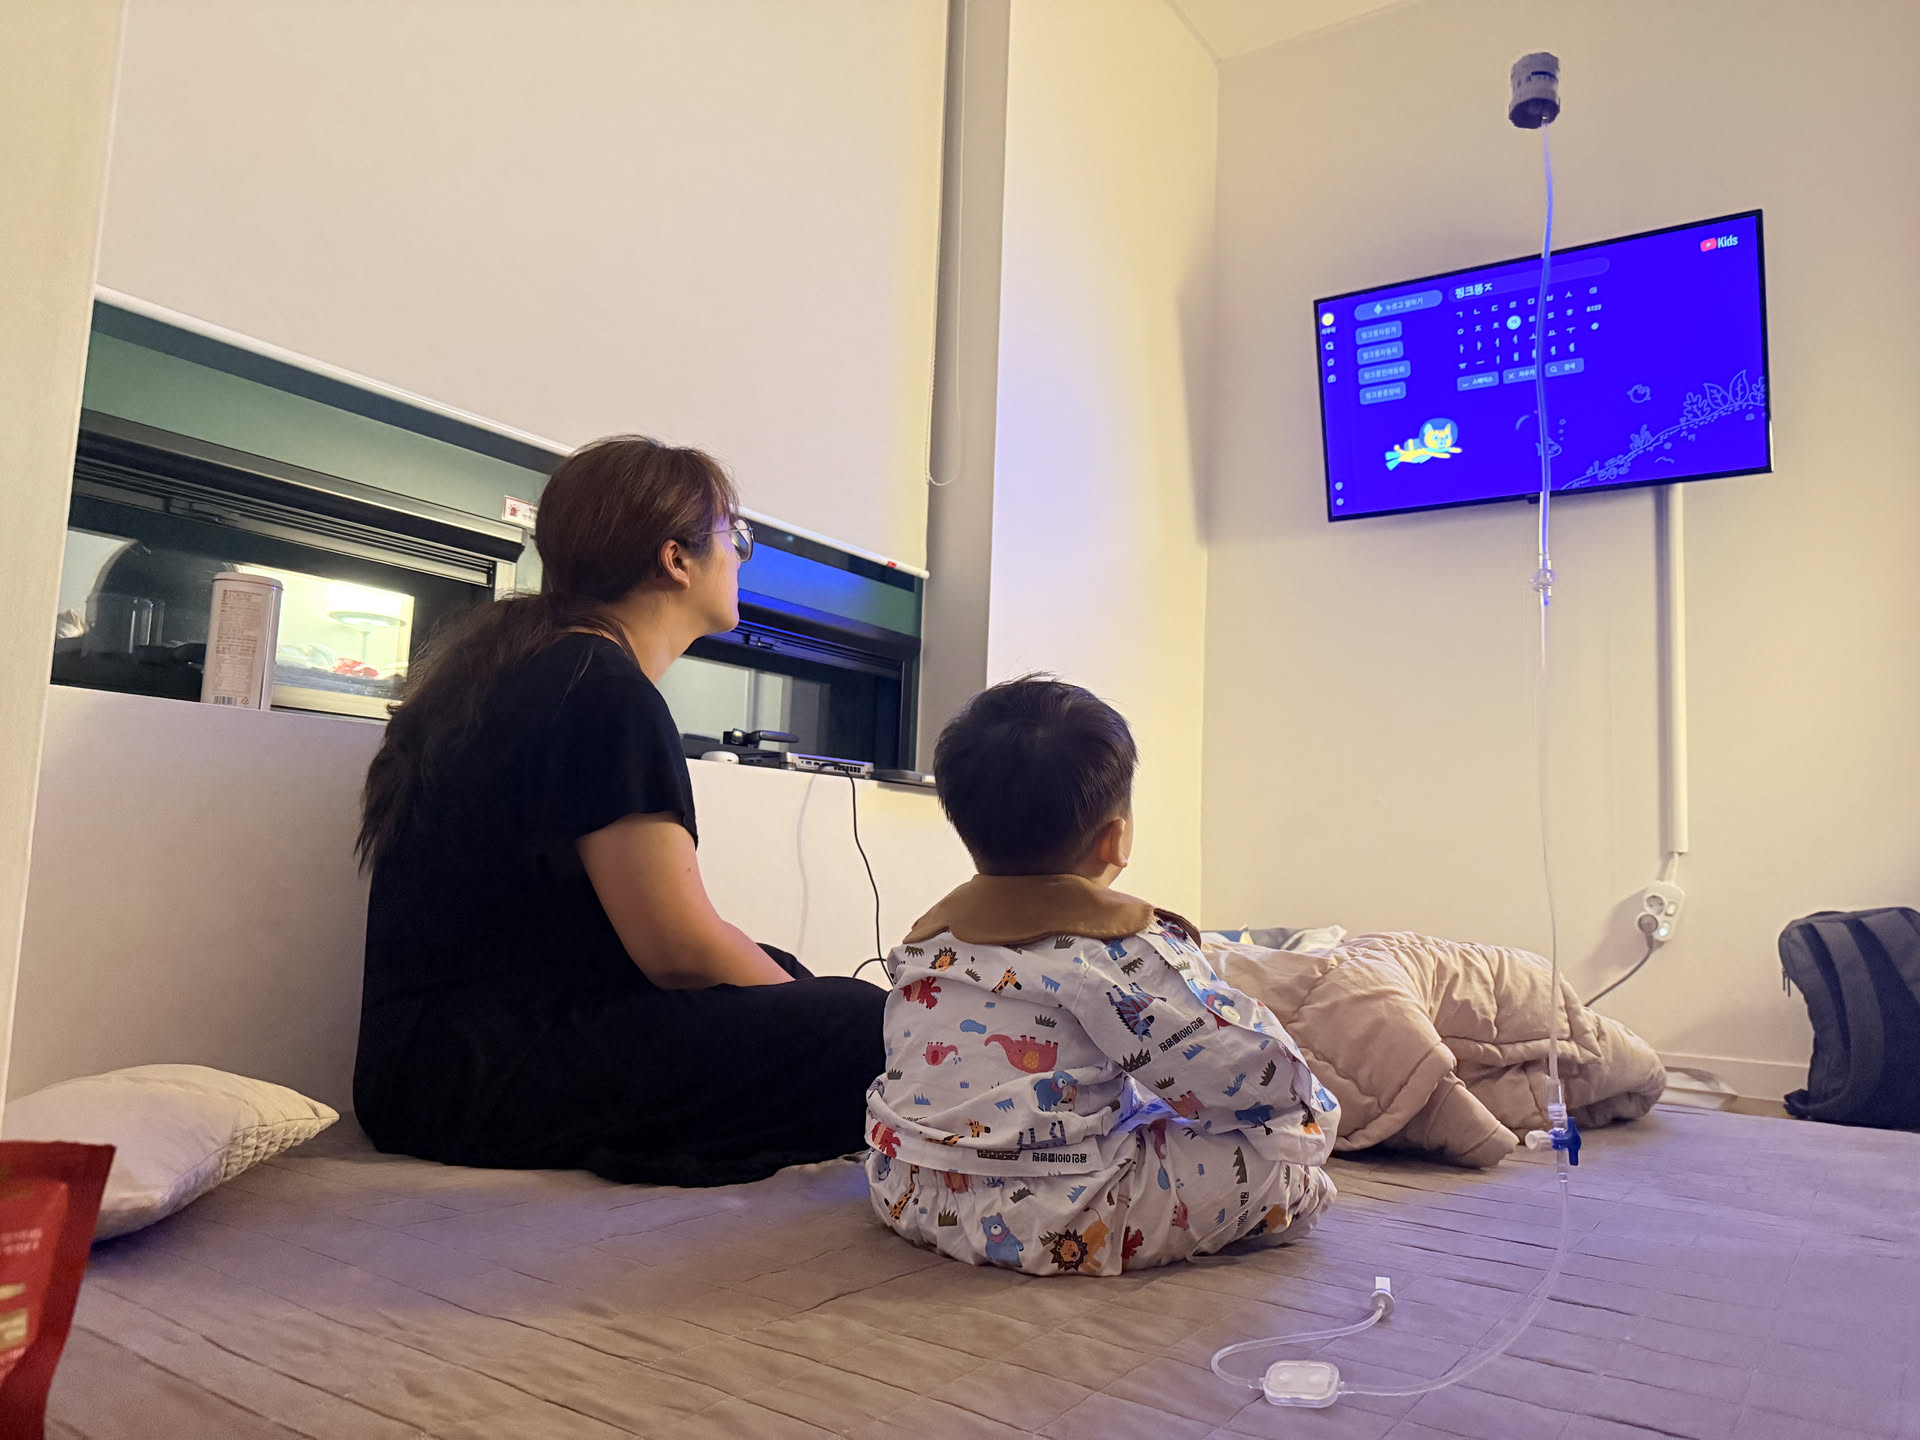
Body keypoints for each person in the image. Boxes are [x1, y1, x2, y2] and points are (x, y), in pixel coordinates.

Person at [353, 435, 885, 1187]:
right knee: (870, 1030)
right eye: (735, 538)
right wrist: (831, 1020)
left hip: (431, 1068)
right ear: (676, 559)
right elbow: (677, 949)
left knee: (794, 979)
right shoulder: (600, 689)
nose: (740, 559)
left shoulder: (534, 667)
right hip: (478, 1078)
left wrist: (796, 998)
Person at [864, 677, 1338, 1274]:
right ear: (1116, 838)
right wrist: (1311, 1112)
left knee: (1143, 1100)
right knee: (1282, 1162)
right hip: (1058, 1215)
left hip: (909, 1191)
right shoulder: (1116, 952)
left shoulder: (925, 945)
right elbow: (1244, 1071)